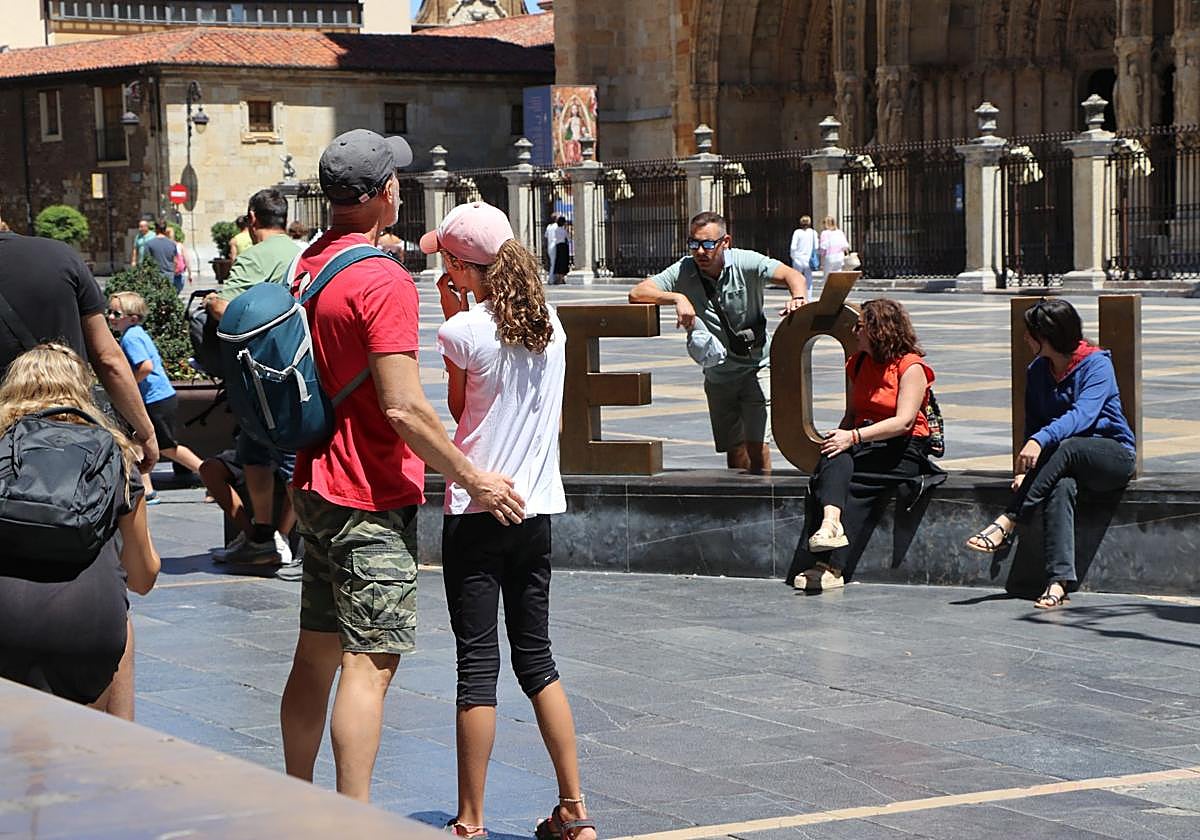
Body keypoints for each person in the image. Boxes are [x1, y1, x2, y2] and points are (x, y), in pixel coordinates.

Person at [278, 129, 525, 803]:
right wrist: (473, 477)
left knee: (316, 651)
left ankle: (294, 801)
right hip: (367, 492)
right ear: (385, 194)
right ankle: (351, 817)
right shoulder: (381, 280)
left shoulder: (309, 262)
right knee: (369, 662)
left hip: (314, 481)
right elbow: (404, 409)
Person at [425, 203, 595, 840]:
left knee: (477, 665)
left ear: (460, 266)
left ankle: (471, 820)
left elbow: (458, 405)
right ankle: (574, 810)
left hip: (478, 507)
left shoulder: (463, 332)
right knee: (538, 660)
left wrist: (455, 316)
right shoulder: (551, 322)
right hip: (536, 508)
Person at [0, 229, 158, 721]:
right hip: (81, 458)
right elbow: (110, 358)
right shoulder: (59, 258)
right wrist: (142, 433)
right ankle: (120, 744)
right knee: (115, 595)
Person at [965, 298, 1136, 609]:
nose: (1025, 339)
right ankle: (1058, 582)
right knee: (1060, 487)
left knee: (1069, 446)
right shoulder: (1038, 371)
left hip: (1111, 456)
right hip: (1063, 462)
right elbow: (1035, 422)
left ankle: (1009, 519)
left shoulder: (1097, 364)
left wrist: (1040, 440)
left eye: (1030, 334)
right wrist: (1023, 469)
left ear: (1047, 336)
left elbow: (1083, 415)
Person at [628, 211, 809, 474]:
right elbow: (637, 292)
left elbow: (794, 276)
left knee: (758, 447)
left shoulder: (746, 262)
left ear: (726, 242)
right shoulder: (684, 269)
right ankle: (737, 506)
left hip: (756, 367)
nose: (701, 251)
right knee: (734, 449)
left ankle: (762, 502)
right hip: (718, 375)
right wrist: (678, 298)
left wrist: (799, 298)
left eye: (708, 244)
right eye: (694, 243)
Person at [789, 299, 939, 593]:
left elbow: (904, 422)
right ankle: (831, 525)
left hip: (904, 448)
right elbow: (852, 414)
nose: (854, 332)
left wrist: (853, 437)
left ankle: (831, 565)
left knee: (853, 483)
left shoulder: (911, 367)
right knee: (834, 457)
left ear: (878, 330)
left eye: (859, 326)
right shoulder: (857, 363)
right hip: (868, 441)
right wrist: (842, 436)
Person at [205, 189, 303, 566]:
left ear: (252, 219)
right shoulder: (305, 252)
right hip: (303, 372)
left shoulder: (254, 258)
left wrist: (211, 303)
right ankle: (290, 539)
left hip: (261, 374)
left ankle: (264, 535)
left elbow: (225, 307)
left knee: (257, 452)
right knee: (297, 460)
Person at [108, 292, 204, 503]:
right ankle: (146, 489)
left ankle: (208, 474)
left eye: (116, 313)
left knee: (165, 447)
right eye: (110, 312)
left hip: (155, 400)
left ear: (132, 318)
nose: (111, 317)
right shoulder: (136, 333)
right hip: (160, 398)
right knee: (138, 441)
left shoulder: (131, 338)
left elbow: (145, 366)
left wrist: (128, 386)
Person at [199, 448, 295, 566]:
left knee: (299, 468)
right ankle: (253, 538)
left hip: (290, 447)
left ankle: (281, 539)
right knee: (210, 468)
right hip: (254, 444)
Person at [789, 215, 819, 293]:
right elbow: (816, 246)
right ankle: (808, 297)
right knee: (809, 280)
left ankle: (798, 295)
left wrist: (793, 257)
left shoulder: (797, 232)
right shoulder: (813, 232)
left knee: (797, 279)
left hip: (798, 258)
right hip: (808, 259)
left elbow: (793, 247)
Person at [143, 220, 178, 285]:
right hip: (169, 277)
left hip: (155, 277)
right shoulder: (172, 244)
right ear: (165, 229)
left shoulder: (149, 244)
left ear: (156, 229)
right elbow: (175, 261)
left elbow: (146, 263)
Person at [550, 216, 570, 284]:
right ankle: (561, 278)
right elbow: (568, 237)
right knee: (563, 262)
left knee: (558, 262)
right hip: (563, 246)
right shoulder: (563, 230)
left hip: (558, 246)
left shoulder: (556, 229)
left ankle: (558, 278)